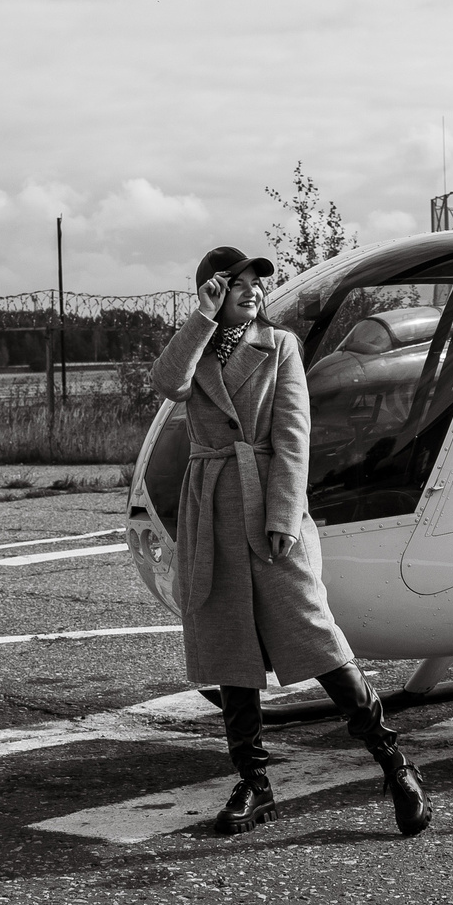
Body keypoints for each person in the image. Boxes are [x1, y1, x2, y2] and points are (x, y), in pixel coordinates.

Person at [146, 245, 431, 837]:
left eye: (257, 285)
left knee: (316, 635)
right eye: (238, 285)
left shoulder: (280, 347)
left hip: (269, 504)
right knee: (229, 647)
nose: (253, 292)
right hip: (212, 511)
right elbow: (167, 383)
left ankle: (395, 764)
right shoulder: (195, 350)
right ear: (212, 293)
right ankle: (255, 784)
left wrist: (282, 514)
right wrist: (200, 319)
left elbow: (295, 435)